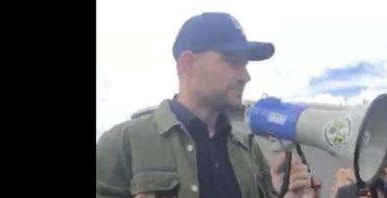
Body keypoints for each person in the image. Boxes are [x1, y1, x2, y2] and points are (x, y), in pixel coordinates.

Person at [96, 12, 312, 198]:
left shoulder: (248, 148)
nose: (245, 76)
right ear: (188, 64)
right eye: (231, 60)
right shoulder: (124, 142)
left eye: (244, 64)